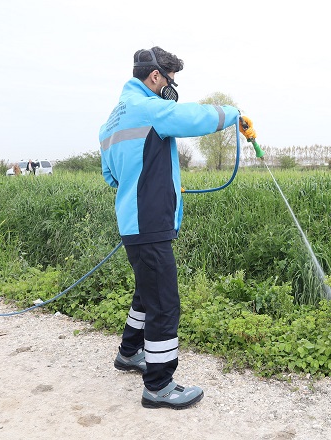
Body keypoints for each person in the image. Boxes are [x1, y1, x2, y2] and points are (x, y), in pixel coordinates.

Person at [99, 46, 256, 410]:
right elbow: (192, 117)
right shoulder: (149, 107)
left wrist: (151, 182)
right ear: (155, 76)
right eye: (171, 80)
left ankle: (129, 352)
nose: (172, 87)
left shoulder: (110, 122)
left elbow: (112, 177)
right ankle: (158, 385)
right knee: (164, 304)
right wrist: (233, 114)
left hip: (133, 222)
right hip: (151, 221)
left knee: (147, 292)